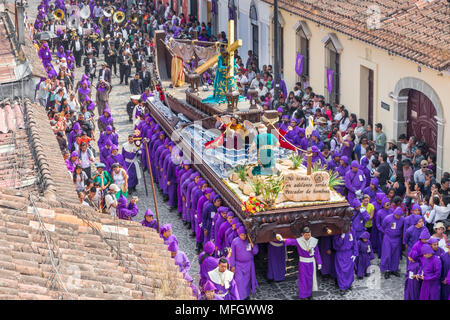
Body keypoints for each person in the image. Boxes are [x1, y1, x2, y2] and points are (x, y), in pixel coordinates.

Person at [278, 227, 322, 299]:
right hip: (303, 263)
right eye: (306, 235)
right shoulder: (299, 241)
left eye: (309, 234)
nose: (308, 236)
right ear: (302, 234)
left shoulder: (314, 241)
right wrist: (282, 239)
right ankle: (303, 295)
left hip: (311, 263)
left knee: (310, 279)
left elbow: (317, 253)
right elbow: (290, 241)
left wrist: (319, 262)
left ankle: (309, 294)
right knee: (303, 279)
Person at [230, 226, 259, 300]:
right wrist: (232, 265)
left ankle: (246, 295)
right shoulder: (235, 242)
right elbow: (232, 254)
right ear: (239, 234)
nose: (244, 236)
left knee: (247, 281)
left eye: (245, 234)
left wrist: (253, 246)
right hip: (239, 265)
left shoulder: (250, 240)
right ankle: (239, 296)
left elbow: (255, 252)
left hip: (248, 265)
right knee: (239, 281)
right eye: (242, 235)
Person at [380, 207, 405, 279]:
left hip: (397, 239)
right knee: (387, 254)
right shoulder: (388, 218)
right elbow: (383, 225)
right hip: (388, 237)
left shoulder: (402, 219)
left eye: (399, 215)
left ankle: (394, 269)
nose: (398, 217)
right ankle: (387, 270)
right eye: (396, 215)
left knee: (395, 254)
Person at [333, 229, 358, 295]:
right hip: (341, 254)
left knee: (350, 271)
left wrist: (355, 253)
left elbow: (354, 241)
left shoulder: (352, 230)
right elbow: (336, 245)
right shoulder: (337, 231)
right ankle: (342, 287)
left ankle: (349, 284)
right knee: (341, 271)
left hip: (349, 253)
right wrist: (341, 237)